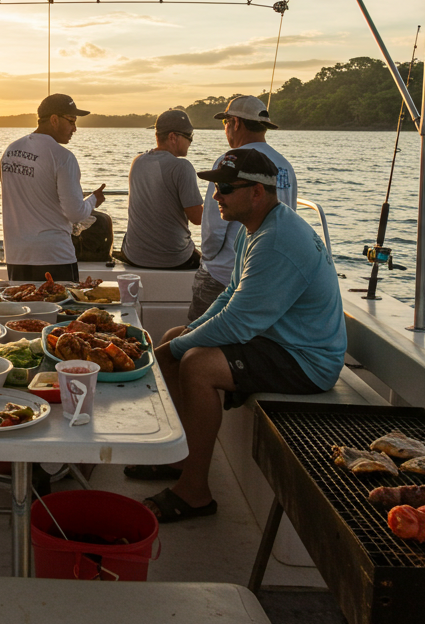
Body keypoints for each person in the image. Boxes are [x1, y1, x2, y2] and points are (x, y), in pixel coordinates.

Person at [128, 148, 345, 523]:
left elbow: (239, 324)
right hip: (277, 339)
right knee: (177, 334)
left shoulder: (276, 240)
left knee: (195, 364)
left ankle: (195, 492)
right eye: (215, 187)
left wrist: (172, 351)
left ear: (257, 193)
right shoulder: (257, 227)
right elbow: (230, 297)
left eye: (226, 188)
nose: (216, 196)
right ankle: (182, 460)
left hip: (307, 360)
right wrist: (181, 338)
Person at [189, 95, 299, 321]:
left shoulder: (228, 162)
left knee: (193, 339)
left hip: (223, 276)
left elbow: (213, 229)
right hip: (266, 278)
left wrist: (208, 263)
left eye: (225, 122)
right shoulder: (285, 166)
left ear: (236, 123)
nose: (225, 128)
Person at [0, 93, 105, 281]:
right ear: (54, 119)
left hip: (16, 256)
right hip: (55, 257)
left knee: (25, 309)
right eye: (71, 121)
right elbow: (75, 213)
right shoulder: (63, 157)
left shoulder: (10, 151)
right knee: (59, 310)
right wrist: (93, 200)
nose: (75, 128)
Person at [120, 109, 204, 269]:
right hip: (174, 259)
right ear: (173, 137)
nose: (191, 142)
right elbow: (197, 219)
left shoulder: (137, 161)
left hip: (134, 256)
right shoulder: (182, 167)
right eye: (189, 136)